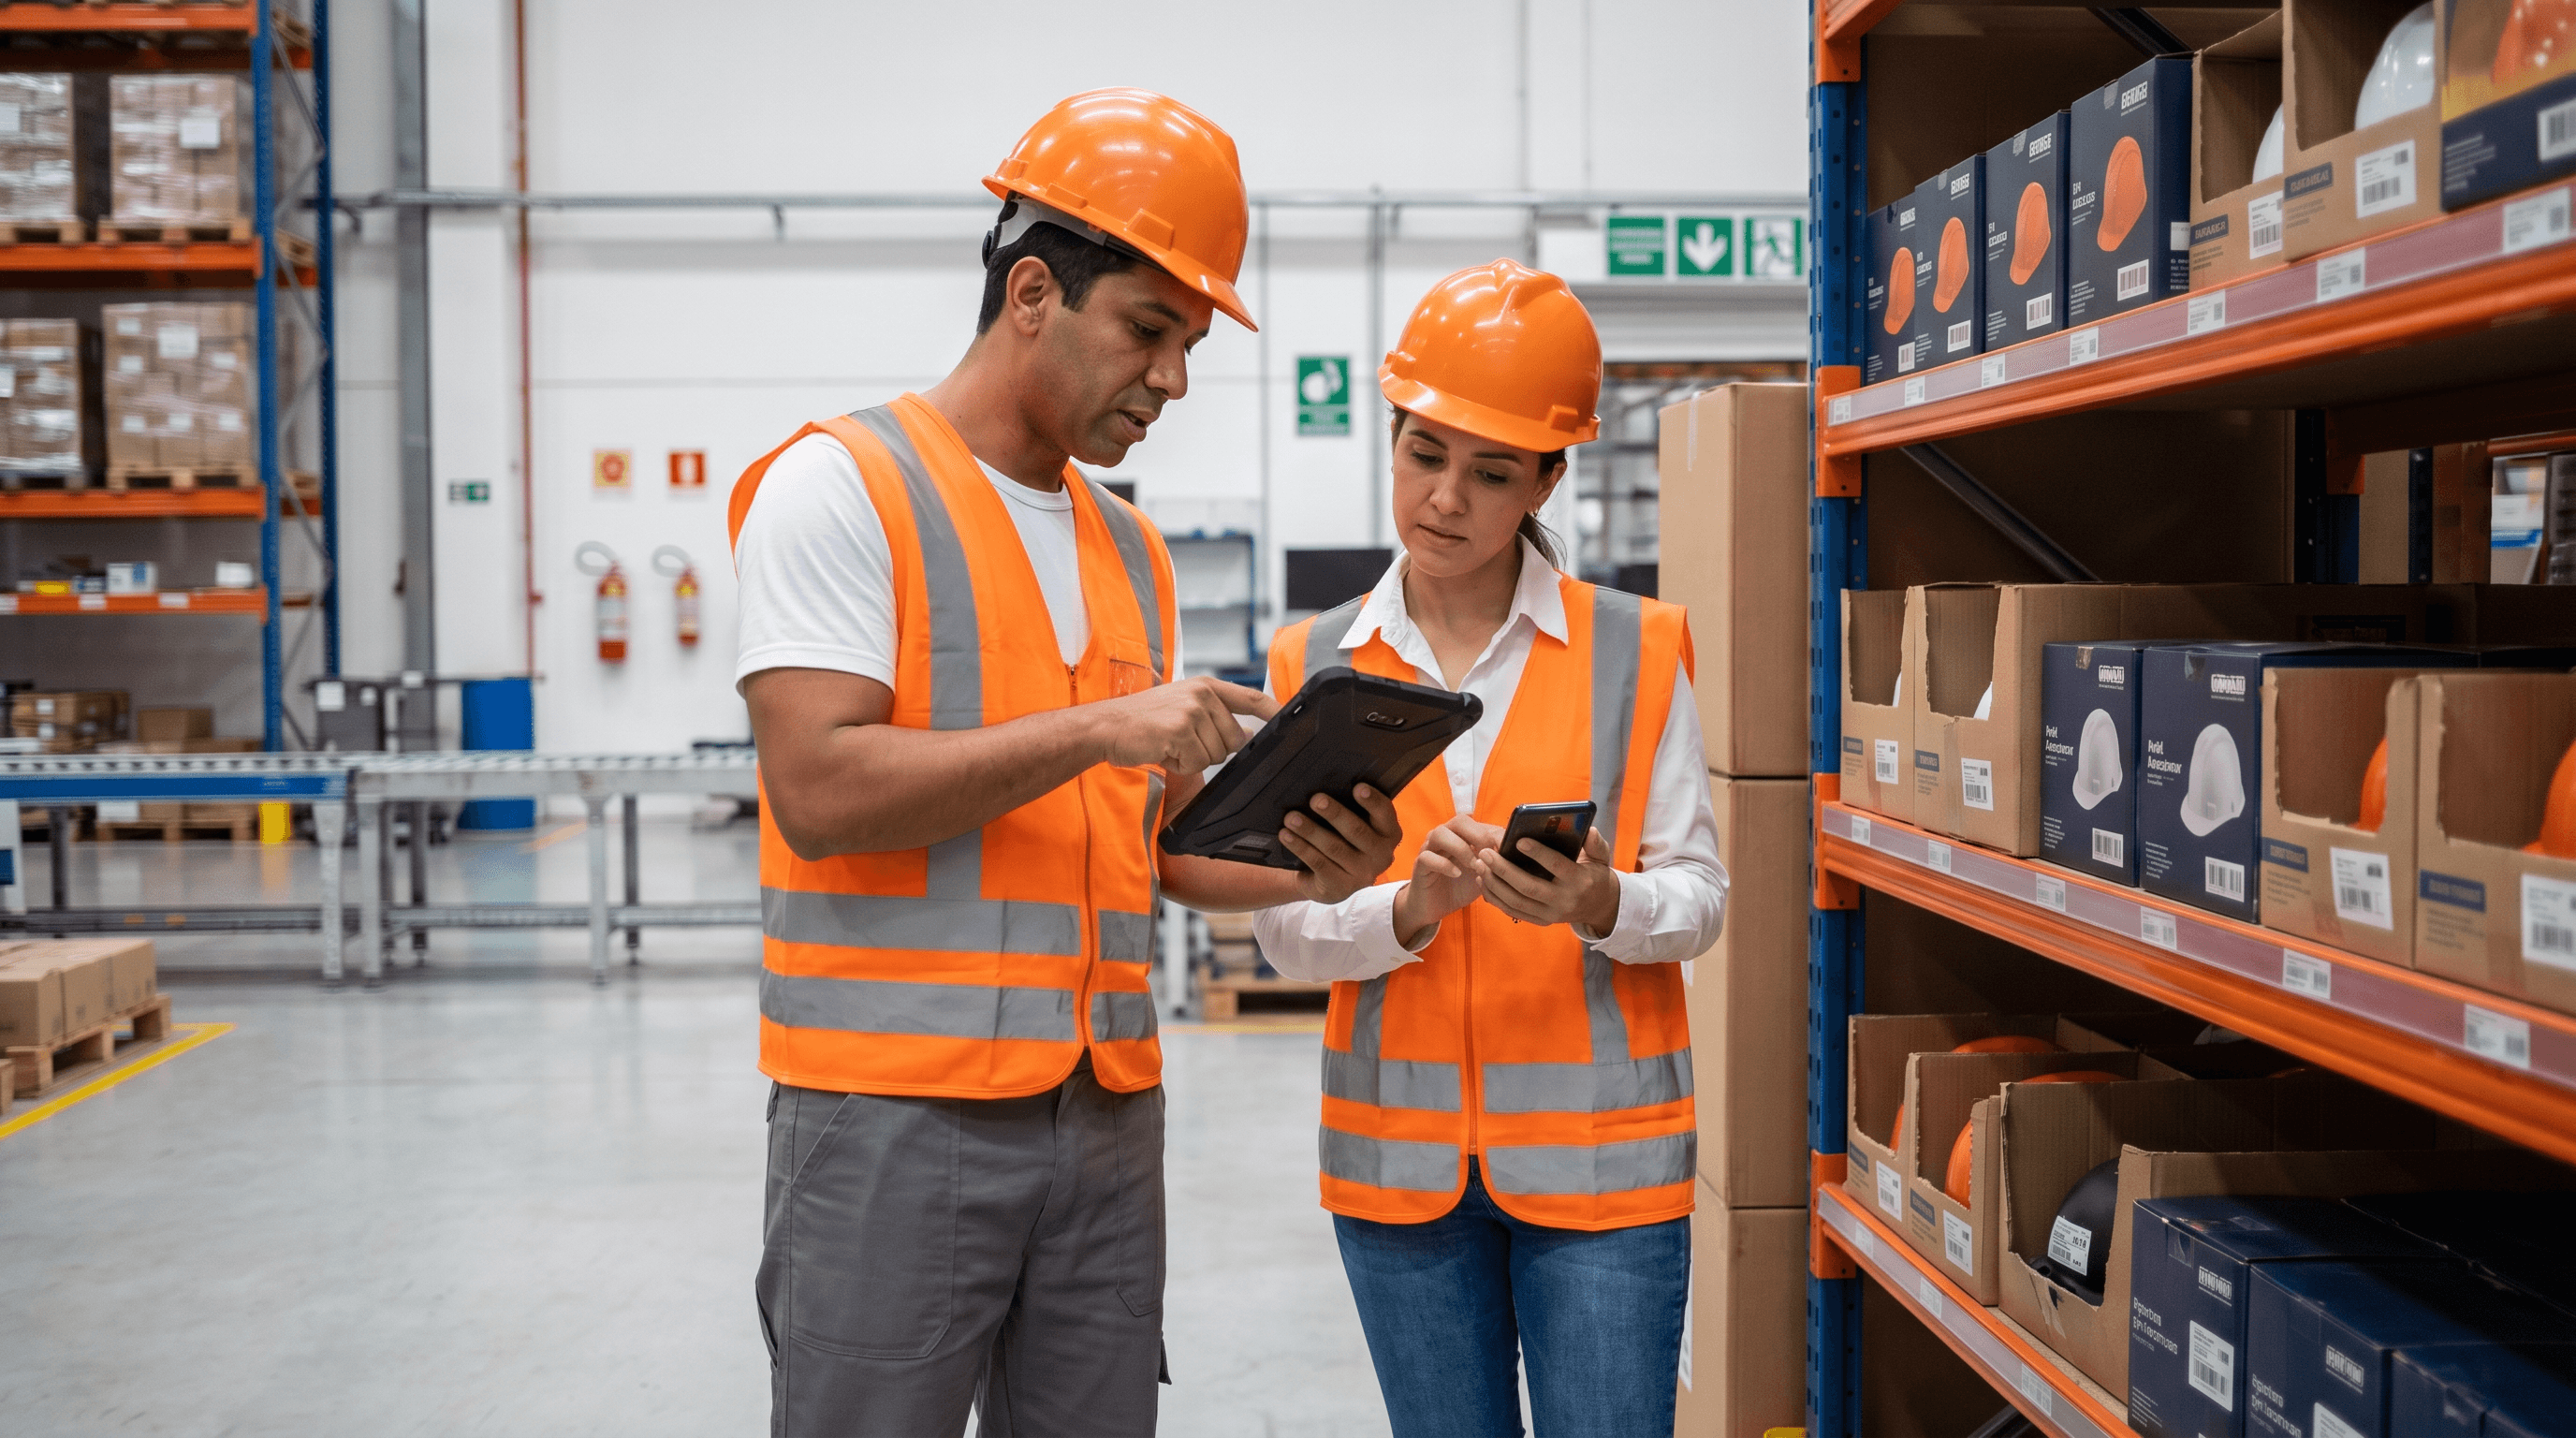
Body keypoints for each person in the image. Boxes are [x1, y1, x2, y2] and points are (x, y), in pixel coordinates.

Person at [728, 90, 1401, 1437]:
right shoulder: (841, 487)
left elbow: (1160, 846)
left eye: (1189, 344)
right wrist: (1101, 727)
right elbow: (819, 793)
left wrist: (1315, 864)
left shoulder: (1131, 550)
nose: (1172, 379)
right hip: (888, 1114)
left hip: (1104, 1113)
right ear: (1032, 291)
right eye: (1148, 330)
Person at [1252, 258, 1729, 1438]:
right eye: (1424, 455)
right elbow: (1284, 934)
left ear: (1548, 479)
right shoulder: (1312, 662)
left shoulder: (1637, 648)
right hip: (1396, 1176)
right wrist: (1405, 911)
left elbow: (1700, 897)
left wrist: (1600, 902)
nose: (1445, 500)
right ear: (1392, 438)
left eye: (1492, 473)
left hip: (1604, 1175)